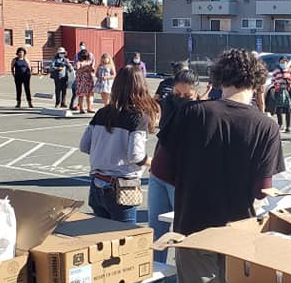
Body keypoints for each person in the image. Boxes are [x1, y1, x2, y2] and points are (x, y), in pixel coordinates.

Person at [156, 48, 284, 283]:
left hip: (193, 227)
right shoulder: (267, 126)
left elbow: (160, 169)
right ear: (257, 82)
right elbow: (262, 190)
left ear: (219, 78)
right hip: (238, 230)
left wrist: (193, 180)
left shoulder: (191, 113)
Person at [79, 65, 159, 222]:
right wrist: (154, 163)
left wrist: (105, 151)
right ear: (141, 87)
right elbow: (136, 156)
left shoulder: (102, 112)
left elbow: (84, 146)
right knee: (125, 238)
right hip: (122, 187)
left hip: (97, 184)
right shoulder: (138, 117)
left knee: (101, 237)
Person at [149, 67, 200, 263]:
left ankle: (180, 278)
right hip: (159, 173)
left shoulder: (201, 114)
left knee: (183, 230)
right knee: (156, 226)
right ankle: (154, 270)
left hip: (183, 180)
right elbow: (162, 138)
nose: (180, 98)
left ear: (196, 92)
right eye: (177, 93)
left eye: (187, 95)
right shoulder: (168, 105)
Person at [269, 57, 291, 133]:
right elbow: (272, 80)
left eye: (284, 62)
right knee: (279, 108)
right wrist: (276, 85)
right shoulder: (276, 71)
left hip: (287, 90)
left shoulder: (290, 70)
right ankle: (280, 124)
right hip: (279, 90)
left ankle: (288, 126)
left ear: (287, 62)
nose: (283, 63)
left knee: (288, 109)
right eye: (281, 62)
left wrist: (288, 78)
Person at [74, 49, 96, 114]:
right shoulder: (78, 62)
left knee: (89, 95)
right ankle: (81, 108)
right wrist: (84, 68)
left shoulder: (89, 62)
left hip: (89, 79)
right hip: (81, 80)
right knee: (81, 95)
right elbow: (77, 71)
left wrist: (91, 69)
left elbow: (92, 70)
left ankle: (89, 108)